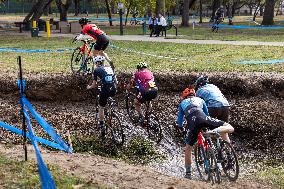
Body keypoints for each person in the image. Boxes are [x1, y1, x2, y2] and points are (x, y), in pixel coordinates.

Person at [177, 87, 234, 179]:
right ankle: (215, 131)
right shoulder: (200, 99)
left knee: (188, 148)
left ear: (184, 97)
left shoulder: (182, 104)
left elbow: (179, 121)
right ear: (194, 94)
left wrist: (181, 128)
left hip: (193, 123)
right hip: (204, 118)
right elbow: (206, 114)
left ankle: (188, 174)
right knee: (229, 127)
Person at [87, 56, 117, 131]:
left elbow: (94, 84)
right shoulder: (109, 68)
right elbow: (116, 81)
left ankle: (101, 124)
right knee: (109, 98)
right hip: (114, 88)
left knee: (101, 107)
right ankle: (110, 114)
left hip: (105, 90)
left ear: (97, 63)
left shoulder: (96, 70)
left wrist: (89, 87)